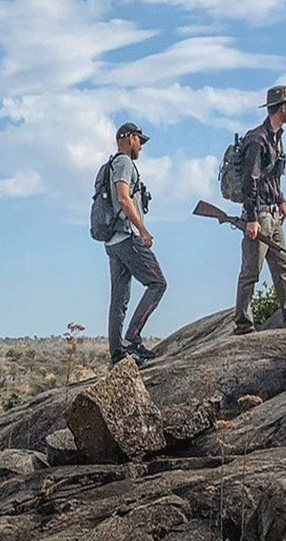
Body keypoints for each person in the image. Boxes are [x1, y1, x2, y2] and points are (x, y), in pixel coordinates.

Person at [233, 85, 286, 334]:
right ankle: (243, 323)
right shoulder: (258, 139)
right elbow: (250, 181)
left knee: (282, 266)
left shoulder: (276, 138)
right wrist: (252, 218)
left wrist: (281, 199)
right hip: (260, 214)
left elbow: (271, 177)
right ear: (281, 108)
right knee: (251, 271)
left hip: (273, 213)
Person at [104, 122, 166, 366]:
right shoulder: (124, 163)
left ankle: (117, 353)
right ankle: (132, 339)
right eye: (139, 140)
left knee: (119, 299)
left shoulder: (112, 164)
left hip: (113, 241)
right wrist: (142, 230)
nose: (140, 145)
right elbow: (123, 196)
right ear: (129, 138)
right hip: (128, 237)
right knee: (158, 283)